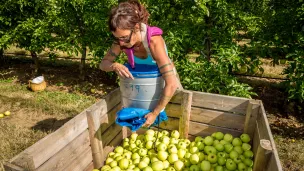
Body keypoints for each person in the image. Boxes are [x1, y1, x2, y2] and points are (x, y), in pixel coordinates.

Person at [100, 0, 183, 128]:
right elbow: (103, 64)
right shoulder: (121, 42)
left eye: (124, 37)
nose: (121, 43)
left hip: (165, 84)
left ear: (137, 27)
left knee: (173, 118)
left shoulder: (154, 42)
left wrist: (155, 113)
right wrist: (114, 65)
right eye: (117, 38)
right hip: (142, 87)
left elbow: (171, 84)